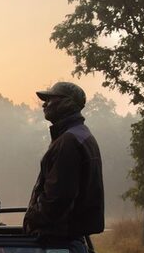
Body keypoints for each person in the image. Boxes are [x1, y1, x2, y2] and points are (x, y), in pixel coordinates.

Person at [24, 82, 104, 239]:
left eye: (50, 99)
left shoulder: (68, 141)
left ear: (66, 103)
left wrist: (32, 221)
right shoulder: (81, 135)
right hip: (70, 234)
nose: (44, 105)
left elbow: (57, 198)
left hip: (58, 236)